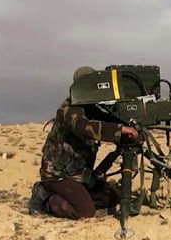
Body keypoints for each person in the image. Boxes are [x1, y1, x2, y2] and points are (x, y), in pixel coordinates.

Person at [28, 66, 140, 219]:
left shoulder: (90, 108)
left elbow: (107, 119)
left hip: (79, 175)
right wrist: (119, 130)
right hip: (59, 176)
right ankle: (46, 198)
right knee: (85, 212)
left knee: (111, 198)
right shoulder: (69, 109)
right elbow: (83, 127)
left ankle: (75, 197)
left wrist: (129, 124)